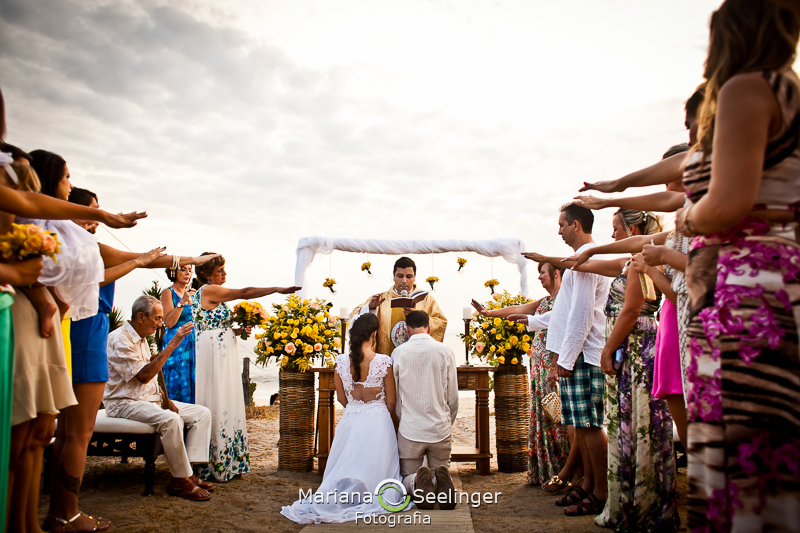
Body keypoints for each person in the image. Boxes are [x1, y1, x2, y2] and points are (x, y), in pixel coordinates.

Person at [673, 2, 800, 530]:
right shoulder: (790, 89)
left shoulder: (746, 88)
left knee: (741, 433)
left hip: (743, 290)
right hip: (780, 278)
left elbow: (726, 204)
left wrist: (688, 218)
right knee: (775, 439)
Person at [519, 203, 611, 517]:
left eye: (561, 225)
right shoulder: (576, 263)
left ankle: (601, 492)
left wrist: (567, 359)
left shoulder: (590, 258)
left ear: (575, 224)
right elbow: (563, 312)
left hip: (585, 354)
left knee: (590, 425)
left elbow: (582, 315)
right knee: (579, 425)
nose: (558, 231)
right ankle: (586, 484)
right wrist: (530, 322)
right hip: (577, 355)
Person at [281, 313, 405, 523]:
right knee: (376, 465)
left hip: (351, 418)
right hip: (378, 420)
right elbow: (391, 402)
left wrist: (356, 410)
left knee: (347, 461)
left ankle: (346, 493)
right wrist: (381, 415)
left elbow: (341, 397)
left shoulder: (340, 361)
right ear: (374, 334)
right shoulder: (384, 361)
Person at [192, 252, 300, 481]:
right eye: (220, 270)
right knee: (217, 399)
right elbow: (243, 293)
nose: (225, 274)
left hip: (221, 349)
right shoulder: (209, 290)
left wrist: (238, 331)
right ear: (206, 274)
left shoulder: (214, 294)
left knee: (227, 399)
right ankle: (214, 463)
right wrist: (276, 289)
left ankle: (228, 461)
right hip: (212, 352)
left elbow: (217, 324)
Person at [473, 264, 576, 491]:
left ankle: (564, 471)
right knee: (541, 415)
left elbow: (564, 334)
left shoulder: (565, 301)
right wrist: (489, 314)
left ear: (557, 274)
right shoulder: (543, 302)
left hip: (552, 367)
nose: (539, 277)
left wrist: (553, 365)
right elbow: (518, 308)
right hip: (537, 367)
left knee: (556, 418)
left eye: (543, 273)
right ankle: (544, 472)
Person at [104, 296, 213, 502]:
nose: (160, 323)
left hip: (148, 399)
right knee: (171, 420)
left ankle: (188, 473)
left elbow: (153, 375)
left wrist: (165, 399)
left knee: (202, 413)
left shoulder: (142, 336)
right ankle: (181, 482)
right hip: (124, 402)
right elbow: (144, 375)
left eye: (161, 318)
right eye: (157, 318)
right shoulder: (119, 340)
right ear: (141, 316)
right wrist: (172, 344)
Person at [392, 310, 459, 510]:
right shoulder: (445, 351)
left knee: (405, 478)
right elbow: (453, 397)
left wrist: (403, 419)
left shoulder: (399, 352)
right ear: (429, 327)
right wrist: (448, 422)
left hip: (411, 430)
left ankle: (416, 482)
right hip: (439, 429)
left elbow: (396, 398)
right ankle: (439, 480)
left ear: (407, 329)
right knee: (440, 467)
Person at [352, 257, 447, 356]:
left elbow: (441, 323)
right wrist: (371, 308)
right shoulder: (380, 299)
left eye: (409, 276)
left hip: (416, 359)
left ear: (415, 277)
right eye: (400, 276)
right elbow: (355, 319)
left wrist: (417, 318)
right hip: (387, 360)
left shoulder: (427, 300)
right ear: (393, 276)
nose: (404, 280)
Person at [160, 264, 197, 403]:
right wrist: (182, 302)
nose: (187, 273)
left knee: (192, 380)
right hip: (177, 345)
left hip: (192, 344)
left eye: (190, 270)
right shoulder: (168, 292)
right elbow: (169, 322)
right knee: (178, 381)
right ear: (173, 272)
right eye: (183, 269)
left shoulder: (192, 295)